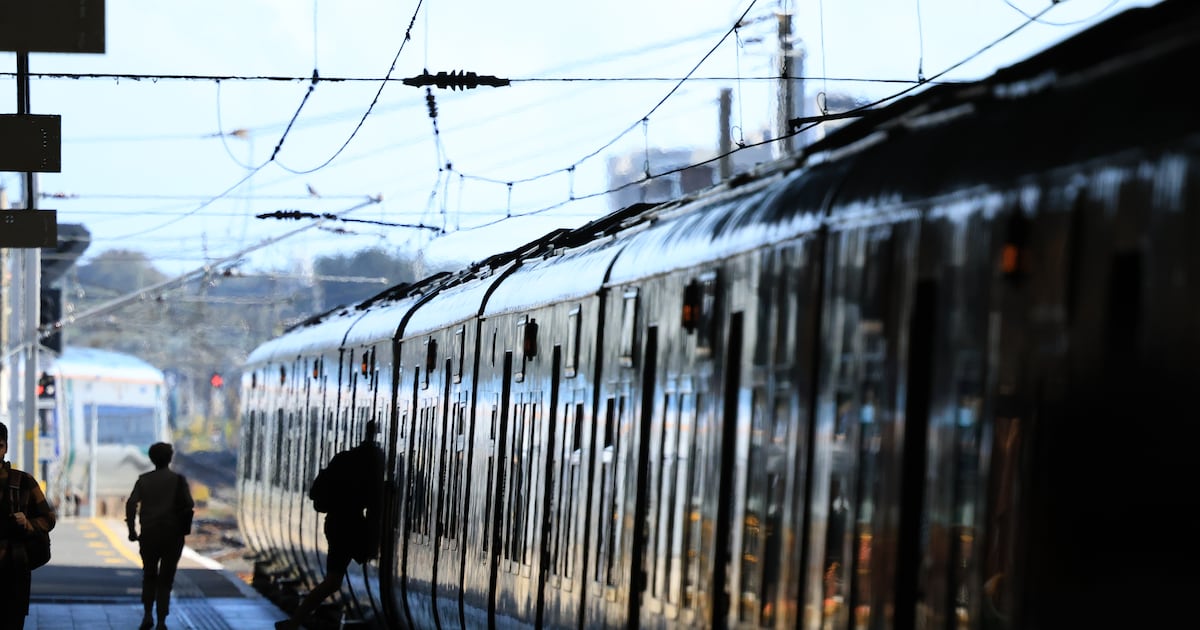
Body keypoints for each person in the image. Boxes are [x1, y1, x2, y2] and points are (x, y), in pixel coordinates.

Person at [276, 420, 384, 630]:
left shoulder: (343, 458)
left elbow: (318, 490)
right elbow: (372, 500)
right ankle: (293, 623)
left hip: (335, 524)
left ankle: (293, 622)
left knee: (333, 580)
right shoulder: (370, 465)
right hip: (348, 526)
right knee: (333, 581)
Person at [125, 442, 194, 630]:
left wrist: (132, 530)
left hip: (149, 535)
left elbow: (131, 503)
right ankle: (162, 620)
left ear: (151, 458)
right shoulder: (178, 480)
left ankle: (147, 615)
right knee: (166, 579)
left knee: (149, 575)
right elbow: (189, 503)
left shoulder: (144, 480)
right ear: (170, 458)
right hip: (173, 535)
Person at [0, 421, 57, 630]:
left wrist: (28, 523)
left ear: (6, 448)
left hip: (14, 568)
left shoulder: (23, 481)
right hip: (15, 567)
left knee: (12, 621)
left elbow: (49, 518)